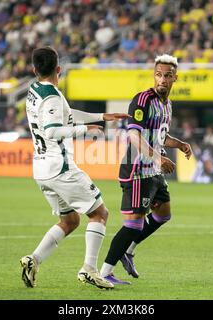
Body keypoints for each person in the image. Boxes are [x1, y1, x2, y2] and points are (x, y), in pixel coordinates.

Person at [19, 47, 129, 290]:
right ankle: (89, 269)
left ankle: (33, 259)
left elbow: (66, 115)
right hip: (61, 168)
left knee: (70, 220)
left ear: (35, 70)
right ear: (59, 69)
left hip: (41, 168)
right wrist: (85, 131)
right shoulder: (52, 97)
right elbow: (52, 130)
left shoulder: (35, 90)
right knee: (100, 213)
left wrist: (101, 116)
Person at [99, 54, 192, 284]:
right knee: (133, 224)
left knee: (163, 215)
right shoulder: (143, 99)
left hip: (154, 171)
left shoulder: (167, 104)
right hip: (137, 169)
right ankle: (104, 273)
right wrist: (158, 158)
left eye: (167, 76)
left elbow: (159, 135)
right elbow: (133, 135)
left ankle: (129, 251)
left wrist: (179, 144)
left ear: (175, 79)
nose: (162, 80)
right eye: (158, 75)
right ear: (154, 76)